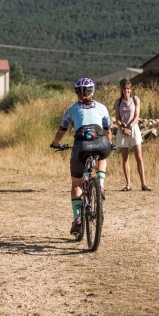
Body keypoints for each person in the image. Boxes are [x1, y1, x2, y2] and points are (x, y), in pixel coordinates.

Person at [51, 78, 113, 235]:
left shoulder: (72, 109)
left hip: (81, 147)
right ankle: (100, 183)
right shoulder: (102, 107)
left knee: (77, 183)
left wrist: (56, 143)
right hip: (101, 143)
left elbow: (62, 130)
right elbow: (108, 131)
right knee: (103, 154)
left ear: (77, 93)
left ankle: (78, 219)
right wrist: (110, 144)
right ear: (92, 92)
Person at [114, 79, 152, 191]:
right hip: (122, 130)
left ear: (131, 89)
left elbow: (136, 116)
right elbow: (117, 119)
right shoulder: (118, 102)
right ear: (122, 89)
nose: (127, 90)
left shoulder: (135, 100)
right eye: (125, 88)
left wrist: (129, 127)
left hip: (133, 128)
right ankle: (128, 184)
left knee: (139, 157)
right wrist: (122, 127)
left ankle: (143, 184)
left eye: (129, 88)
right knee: (125, 158)